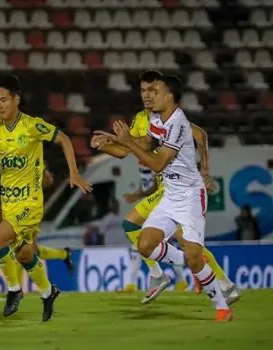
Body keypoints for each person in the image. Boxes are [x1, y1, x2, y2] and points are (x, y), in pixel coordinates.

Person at [91, 71, 239, 305]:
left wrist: (206, 171)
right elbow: (126, 150)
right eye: (143, 91)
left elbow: (199, 135)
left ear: (164, 93)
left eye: (152, 90)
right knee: (140, 228)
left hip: (175, 186)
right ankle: (215, 282)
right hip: (167, 186)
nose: (147, 96)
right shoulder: (144, 118)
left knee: (180, 240)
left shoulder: (173, 118)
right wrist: (106, 144)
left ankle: (196, 280)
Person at [0, 74, 91, 321]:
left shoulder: (31, 126)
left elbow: (64, 138)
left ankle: (14, 290)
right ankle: (48, 292)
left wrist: (73, 172)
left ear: (16, 99)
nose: (0, 105)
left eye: (4, 99)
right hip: (8, 203)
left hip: (30, 203)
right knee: (25, 254)